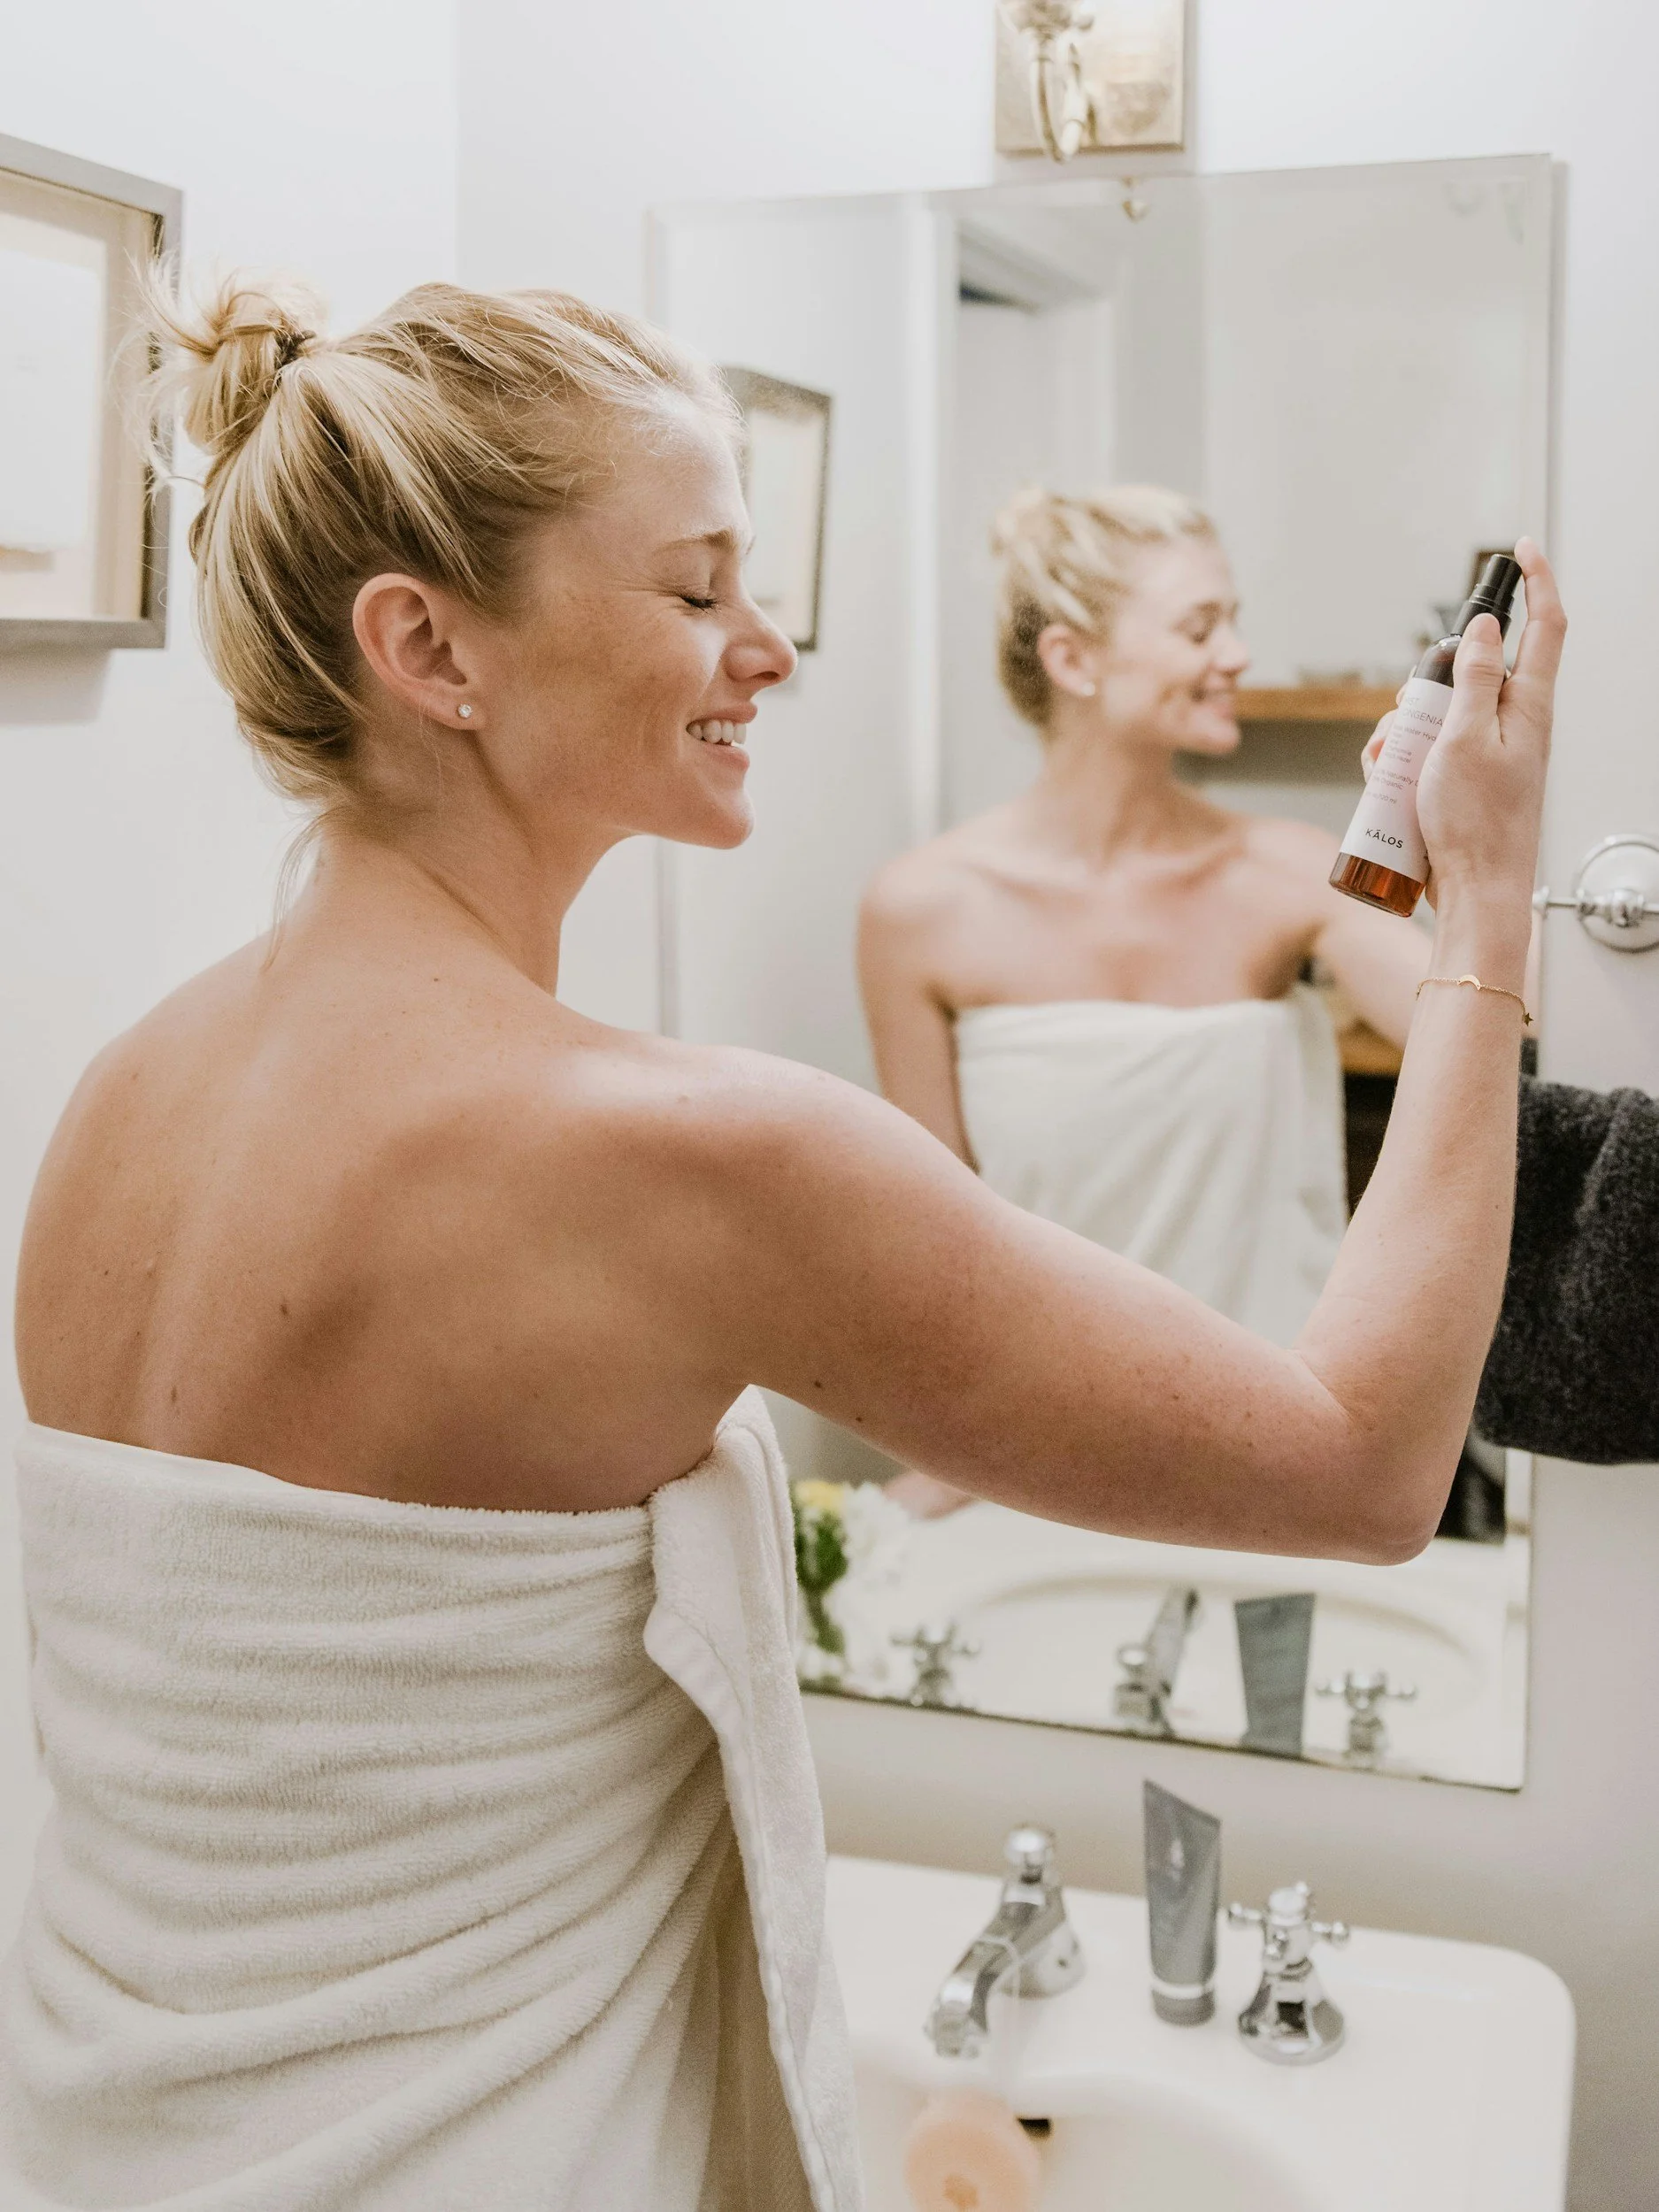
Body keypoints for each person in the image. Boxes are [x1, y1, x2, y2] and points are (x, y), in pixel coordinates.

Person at [4, 273, 1562, 2209]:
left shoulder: (110, 1110)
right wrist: (1488, 908)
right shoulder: (685, 1153)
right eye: (694, 588)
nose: (767, 649)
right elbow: (1363, 1458)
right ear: (428, 647)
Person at [859, 486, 1435, 1349]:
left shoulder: (1289, 871)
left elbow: (1487, 1031)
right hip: (1049, 1425)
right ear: (1072, 659)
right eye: (1200, 629)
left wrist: (1465, 843)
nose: (1239, 655)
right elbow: (935, 1252)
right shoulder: (921, 913)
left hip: (1283, 1408)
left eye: (1233, 622)